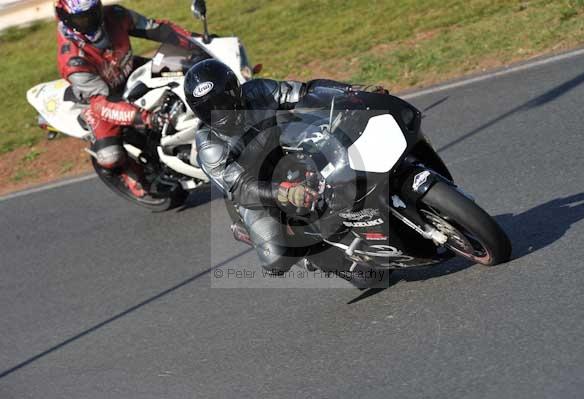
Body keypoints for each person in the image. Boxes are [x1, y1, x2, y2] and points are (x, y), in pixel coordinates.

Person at [183, 59, 387, 275]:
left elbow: (306, 92)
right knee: (275, 259)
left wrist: (352, 91)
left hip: (289, 151)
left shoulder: (259, 91)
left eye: (223, 102)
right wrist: (285, 192)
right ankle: (313, 253)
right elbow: (242, 187)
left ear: (235, 90)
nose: (220, 112)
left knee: (344, 155)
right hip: (258, 191)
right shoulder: (209, 144)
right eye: (208, 109)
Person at [55, 0, 194, 172]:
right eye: (83, 19)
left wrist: (195, 41)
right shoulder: (73, 61)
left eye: (93, 13)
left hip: (128, 70)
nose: (91, 22)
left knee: (186, 70)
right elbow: (102, 103)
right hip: (100, 99)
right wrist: (148, 118)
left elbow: (154, 28)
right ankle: (135, 179)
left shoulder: (115, 14)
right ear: (66, 19)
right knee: (110, 156)